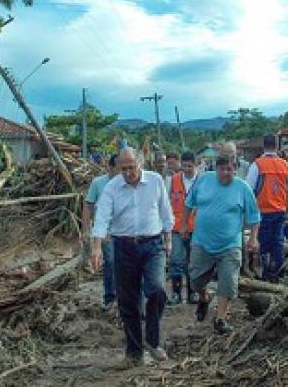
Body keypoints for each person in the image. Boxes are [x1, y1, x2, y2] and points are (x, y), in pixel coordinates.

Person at [91, 147, 174, 366]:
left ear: (141, 164)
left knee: (156, 289)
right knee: (128, 301)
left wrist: (169, 239)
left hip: (153, 244)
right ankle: (134, 353)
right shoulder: (112, 187)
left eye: (131, 167)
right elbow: (102, 217)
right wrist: (96, 247)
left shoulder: (155, 181)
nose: (127, 173)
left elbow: (165, 211)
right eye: (123, 168)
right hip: (124, 246)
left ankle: (153, 341)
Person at [184, 155, 260, 334]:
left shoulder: (243, 188)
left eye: (229, 169)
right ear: (215, 169)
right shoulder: (204, 180)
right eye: (222, 169)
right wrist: (184, 225)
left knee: (228, 282)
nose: (226, 173)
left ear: (235, 169)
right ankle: (204, 297)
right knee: (195, 280)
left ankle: (220, 319)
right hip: (202, 242)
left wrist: (253, 238)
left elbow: (254, 216)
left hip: (230, 245)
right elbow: (188, 204)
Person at [246, 134, 288, 282]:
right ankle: (277, 273)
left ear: (263, 146)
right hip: (280, 210)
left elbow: (248, 190)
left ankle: (265, 274)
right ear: (277, 146)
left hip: (263, 212)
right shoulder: (285, 165)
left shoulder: (257, 165)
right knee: (278, 242)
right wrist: (287, 211)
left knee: (263, 243)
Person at [82, 154, 119, 309]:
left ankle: (124, 296)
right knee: (110, 262)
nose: (122, 171)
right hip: (105, 232)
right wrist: (86, 230)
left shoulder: (127, 183)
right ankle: (109, 296)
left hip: (125, 231)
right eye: (118, 168)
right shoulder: (98, 183)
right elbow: (88, 205)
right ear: (110, 167)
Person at [167, 151, 199, 305]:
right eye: (184, 166)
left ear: (195, 165)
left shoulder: (202, 181)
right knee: (176, 260)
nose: (186, 169)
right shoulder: (174, 180)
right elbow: (168, 202)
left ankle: (193, 293)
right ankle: (176, 293)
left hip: (197, 228)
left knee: (193, 262)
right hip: (177, 227)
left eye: (190, 166)